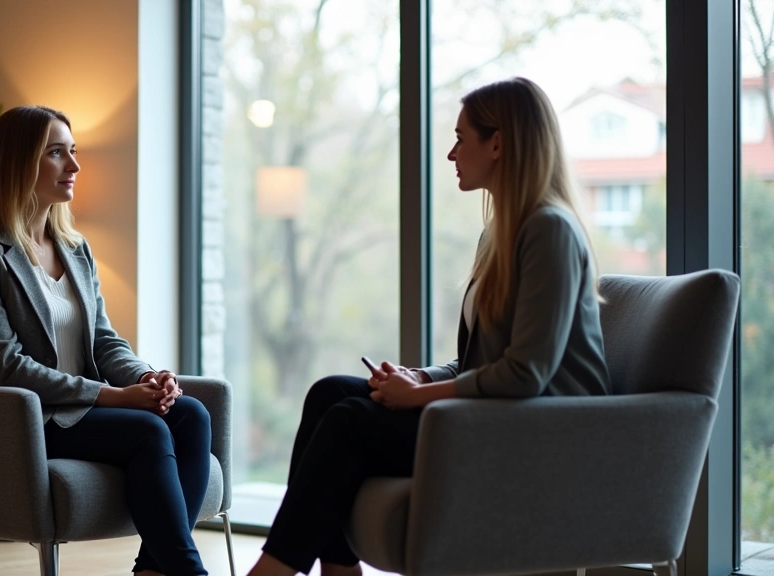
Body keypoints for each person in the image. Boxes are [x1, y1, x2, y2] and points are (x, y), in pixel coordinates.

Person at [245, 77, 612, 576]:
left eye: (462, 138)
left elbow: (526, 374)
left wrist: (417, 397)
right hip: (495, 416)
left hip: (538, 432)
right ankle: (337, 568)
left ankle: (275, 568)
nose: (451, 154)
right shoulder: (499, 233)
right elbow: (481, 362)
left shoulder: (550, 230)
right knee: (329, 392)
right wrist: (423, 378)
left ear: (498, 143)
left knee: (348, 423)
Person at [0, 105, 211, 576]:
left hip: (77, 409)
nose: (74, 166)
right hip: (17, 416)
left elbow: (104, 340)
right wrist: (113, 396)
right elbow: (4, 364)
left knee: (190, 414)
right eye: (56, 153)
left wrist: (146, 377)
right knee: (147, 430)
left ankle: (153, 570)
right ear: (19, 164)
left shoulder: (74, 247)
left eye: (73, 151)